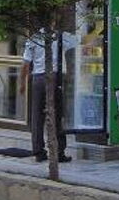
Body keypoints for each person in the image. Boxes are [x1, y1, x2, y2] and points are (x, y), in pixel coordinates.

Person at [21, 29, 75, 163]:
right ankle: (59, 151)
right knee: (57, 115)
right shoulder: (61, 36)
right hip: (55, 77)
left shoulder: (34, 38)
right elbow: (79, 42)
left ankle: (38, 151)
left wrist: (22, 83)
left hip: (38, 78)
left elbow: (26, 63)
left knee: (37, 116)